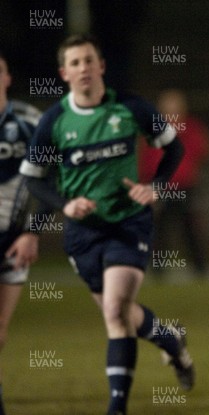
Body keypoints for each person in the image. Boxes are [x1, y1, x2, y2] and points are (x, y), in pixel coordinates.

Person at [18, 34, 194, 415]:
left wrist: (155, 187)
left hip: (129, 222)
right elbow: (33, 177)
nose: (83, 68)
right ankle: (172, 341)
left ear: (101, 66)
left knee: (115, 310)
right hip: (83, 234)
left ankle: (116, 407)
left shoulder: (130, 107)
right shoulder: (54, 121)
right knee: (122, 312)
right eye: (75, 63)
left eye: (89, 60)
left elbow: (173, 148)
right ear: (64, 73)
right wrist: (65, 205)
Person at [0, 52, 43, 415]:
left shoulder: (31, 122)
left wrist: (33, 231)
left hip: (13, 242)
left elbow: (54, 182)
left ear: (7, 77)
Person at [139, 88, 209, 276]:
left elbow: (199, 151)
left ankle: (200, 269)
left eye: (175, 107)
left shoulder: (191, 127)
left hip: (185, 186)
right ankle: (158, 271)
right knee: (159, 230)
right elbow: (146, 159)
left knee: (190, 229)